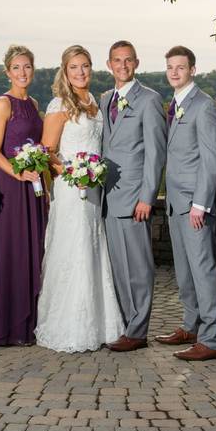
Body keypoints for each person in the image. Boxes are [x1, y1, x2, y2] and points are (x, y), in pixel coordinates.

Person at [35, 45, 124, 352]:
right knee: (73, 248)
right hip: (71, 186)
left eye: (85, 66)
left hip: (94, 187)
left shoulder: (97, 104)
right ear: (65, 70)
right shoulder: (59, 104)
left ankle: (99, 322)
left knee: (94, 247)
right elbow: (47, 151)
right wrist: (74, 172)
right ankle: (68, 324)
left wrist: (91, 174)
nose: (81, 72)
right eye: (74, 67)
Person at [155, 45, 216, 361]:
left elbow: (211, 160)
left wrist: (201, 203)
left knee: (202, 269)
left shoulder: (204, 106)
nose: (174, 72)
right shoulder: (175, 104)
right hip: (175, 202)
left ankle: (211, 336)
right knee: (184, 271)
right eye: (170, 67)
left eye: (180, 67)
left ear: (192, 69)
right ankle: (191, 324)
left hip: (194, 205)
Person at [101, 40, 167, 352]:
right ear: (109, 64)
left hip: (134, 199)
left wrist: (147, 196)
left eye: (128, 60)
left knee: (138, 267)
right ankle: (127, 324)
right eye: (117, 60)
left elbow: (156, 152)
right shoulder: (105, 100)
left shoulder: (150, 100)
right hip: (108, 199)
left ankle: (138, 331)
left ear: (136, 63)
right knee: (118, 267)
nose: (123, 66)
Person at [0, 45, 47, 346]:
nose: (22, 73)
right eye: (16, 67)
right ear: (7, 71)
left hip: (35, 186)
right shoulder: (2, 104)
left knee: (34, 250)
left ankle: (31, 323)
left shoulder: (34, 103)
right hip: (12, 185)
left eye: (27, 67)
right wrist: (18, 173)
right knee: (13, 250)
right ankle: (8, 325)